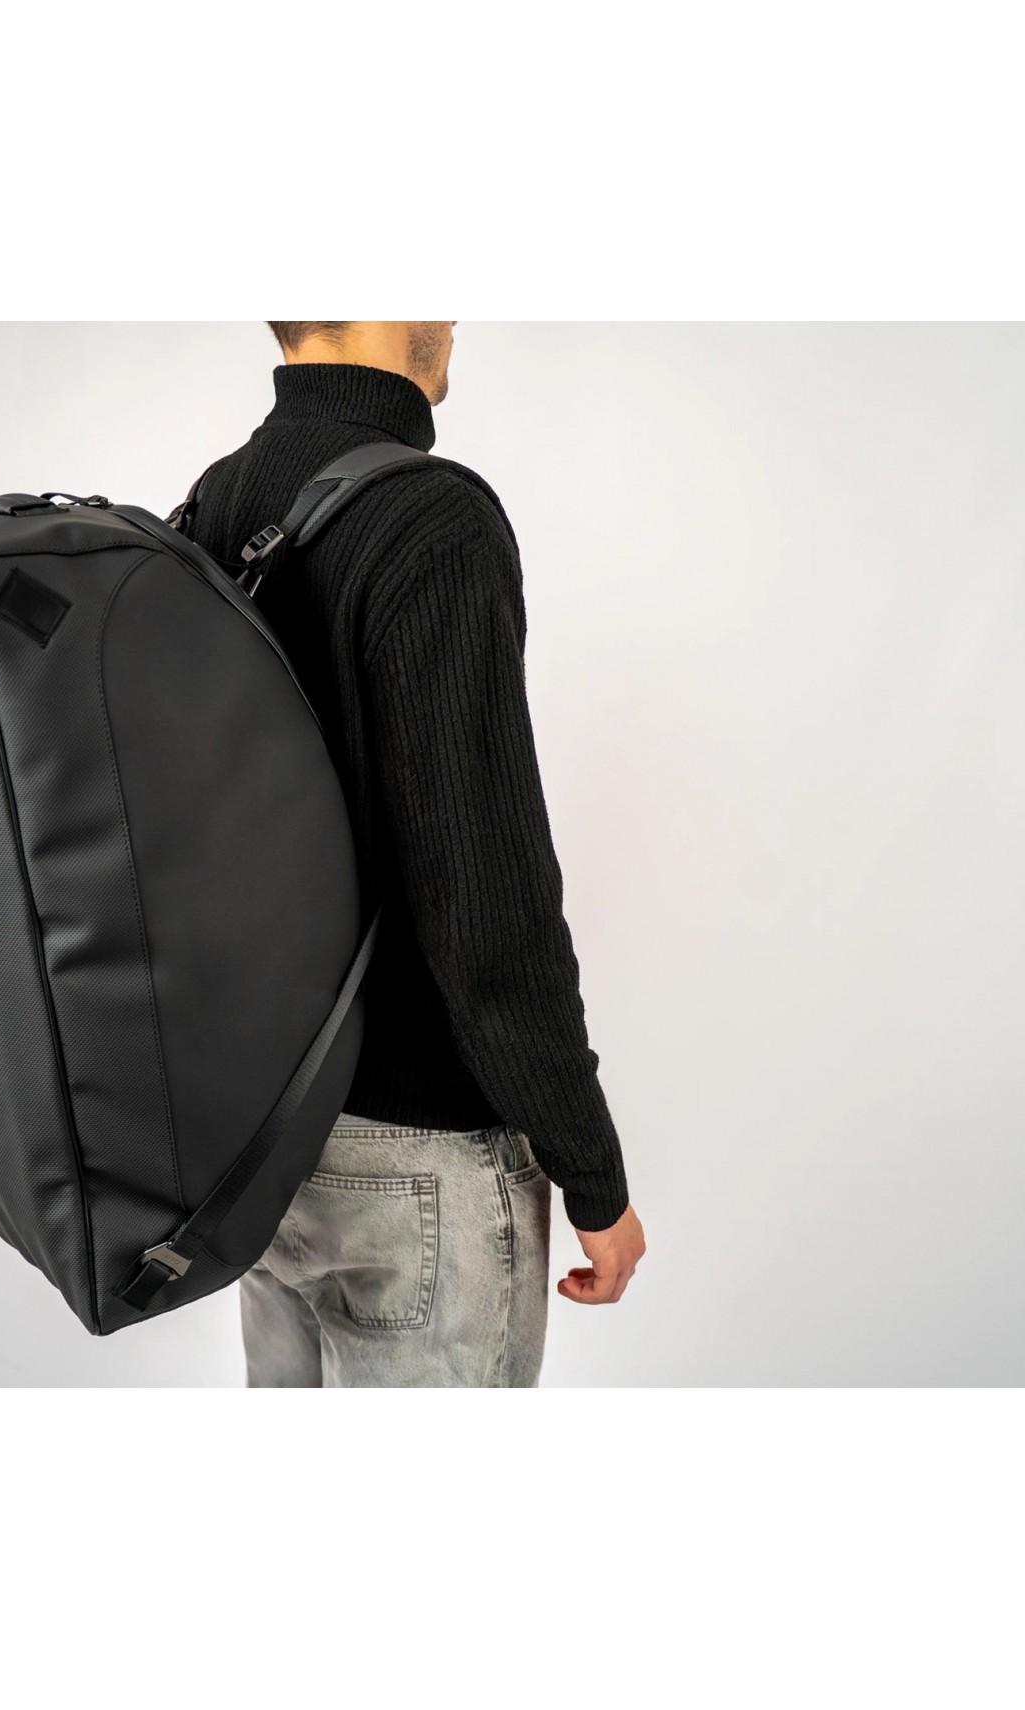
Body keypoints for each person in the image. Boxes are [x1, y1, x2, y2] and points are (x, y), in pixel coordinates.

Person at [185, 322, 645, 1386]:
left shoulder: (215, 501)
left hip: (260, 1149)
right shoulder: (432, 520)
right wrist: (591, 1171)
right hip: (420, 1169)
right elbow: (486, 907)